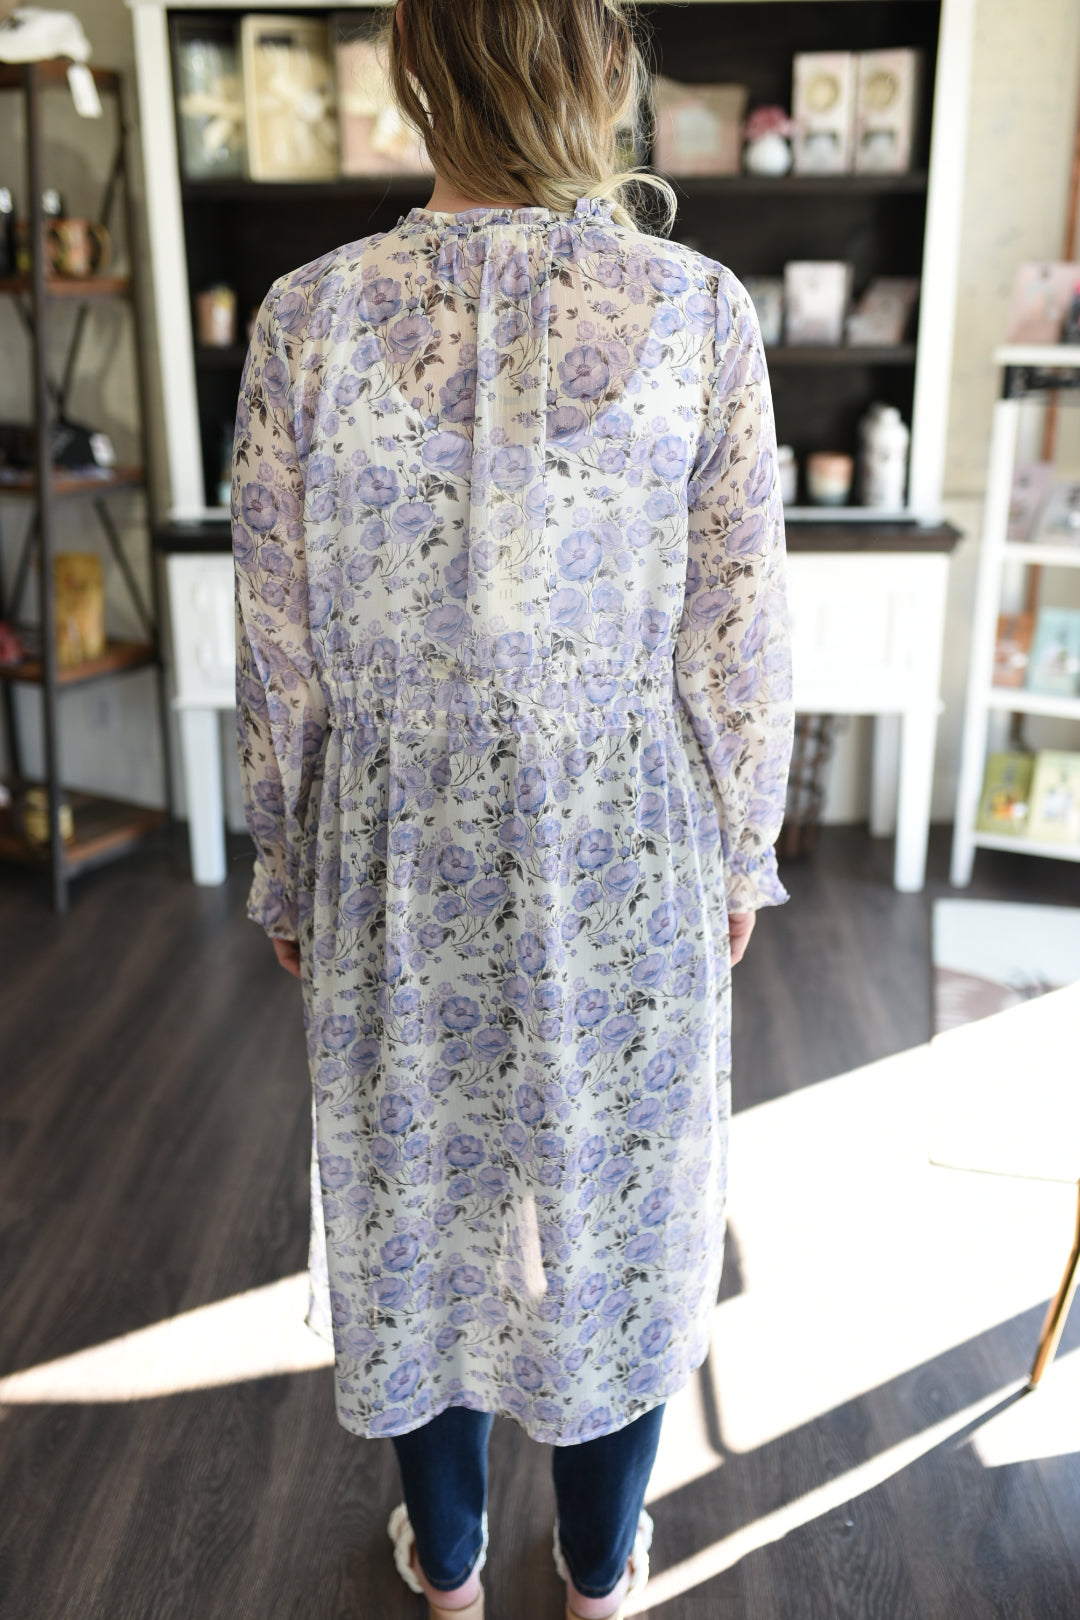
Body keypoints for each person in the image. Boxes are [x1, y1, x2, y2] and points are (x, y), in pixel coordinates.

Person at [231, 2, 793, 1615]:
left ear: (418, 70)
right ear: (602, 72)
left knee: (421, 1198)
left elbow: (277, 644)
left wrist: (287, 863)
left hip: (393, 844)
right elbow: (739, 630)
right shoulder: (700, 310)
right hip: (629, 831)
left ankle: (453, 1560)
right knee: (620, 1198)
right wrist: (741, 847)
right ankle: (602, 1565)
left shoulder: (306, 315)